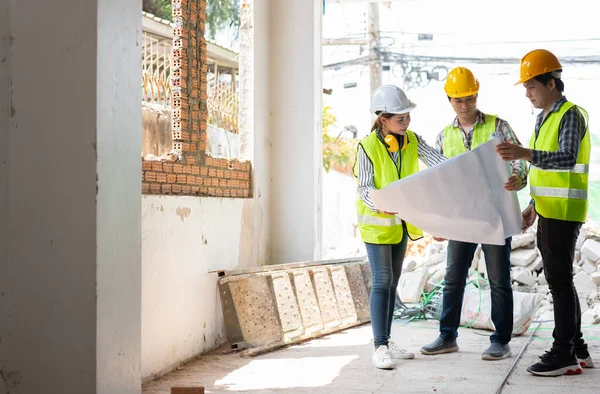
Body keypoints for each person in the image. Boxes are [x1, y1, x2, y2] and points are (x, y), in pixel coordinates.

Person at [420, 66, 528, 361]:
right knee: (454, 278)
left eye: (469, 98)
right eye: (458, 100)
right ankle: (447, 336)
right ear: (449, 101)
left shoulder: (498, 127)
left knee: (498, 280)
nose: (465, 105)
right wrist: (437, 220)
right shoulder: (444, 137)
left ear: (477, 94)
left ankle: (500, 340)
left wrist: (518, 177)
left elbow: (520, 160)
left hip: (494, 216)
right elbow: (437, 181)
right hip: (461, 218)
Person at [497, 49, 593, 376]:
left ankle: (563, 351)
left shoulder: (570, 115)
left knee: (560, 282)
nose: (527, 93)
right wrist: (533, 206)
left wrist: (523, 151)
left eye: (531, 86)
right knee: (560, 281)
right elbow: (544, 170)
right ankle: (577, 347)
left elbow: (564, 158)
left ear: (551, 83)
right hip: (549, 209)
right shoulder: (544, 117)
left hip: (564, 211)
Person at [354, 85, 446, 369]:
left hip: (400, 225)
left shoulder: (412, 141)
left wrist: (463, 167)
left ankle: (387, 339)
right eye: (400, 118)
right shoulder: (367, 147)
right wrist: (379, 204)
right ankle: (379, 346)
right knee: (382, 282)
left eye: (407, 116)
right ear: (383, 120)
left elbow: (437, 163)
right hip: (377, 225)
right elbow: (365, 186)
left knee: (393, 283)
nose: (407, 122)